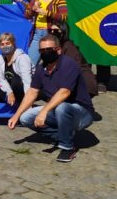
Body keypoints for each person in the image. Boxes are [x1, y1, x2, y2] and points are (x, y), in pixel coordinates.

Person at [7, 34, 95, 163]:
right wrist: (16, 115)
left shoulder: (68, 64)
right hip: (57, 109)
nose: (45, 53)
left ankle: (68, 147)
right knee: (26, 118)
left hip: (82, 112)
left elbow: (64, 92)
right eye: (42, 51)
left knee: (62, 107)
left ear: (58, 50)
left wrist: (44, 112)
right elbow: (32, 92)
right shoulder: (41, 68)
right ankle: (63, 136)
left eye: (49, 50)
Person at [78, 0, 113, 94]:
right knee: (86, 56)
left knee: (102, 56)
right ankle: (86, 80)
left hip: (103, 28)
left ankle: (102, 82)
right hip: (87, 28)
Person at [26, 0, 67, 66]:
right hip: (36, 33)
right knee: (29, 63)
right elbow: (27, 15)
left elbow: (63, 17)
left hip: (51, 34)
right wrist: (33, 9)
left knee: (50, 63)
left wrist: (47, 13)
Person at [49, 22, 98, 97]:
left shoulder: (69, 48)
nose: (52, 33)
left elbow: (71, 69)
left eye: (55, 31)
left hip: (84, 85)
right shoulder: (58, 46)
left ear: (63, 32)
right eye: (50, 31)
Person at [0, 33, 32, 111]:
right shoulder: (0, 59)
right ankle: (15, 101)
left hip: (29, 88)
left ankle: (24, 103)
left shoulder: (22, 58)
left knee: (15, 80)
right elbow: (2, 79)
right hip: (14, 89)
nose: (5, 46)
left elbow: (27, 82)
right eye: (2, 44)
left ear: (13, 44)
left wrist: (28, 104)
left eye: (8, 43)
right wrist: (10, 93)